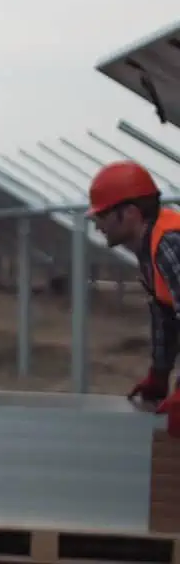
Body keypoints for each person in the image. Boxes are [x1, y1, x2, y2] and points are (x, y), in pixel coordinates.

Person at [88, 160, 180, 415]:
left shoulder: (171, 245)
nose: (97, 225)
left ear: (129, 213)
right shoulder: (149, 248)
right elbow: (165, 315)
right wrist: (159, 374)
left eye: (102, 215)